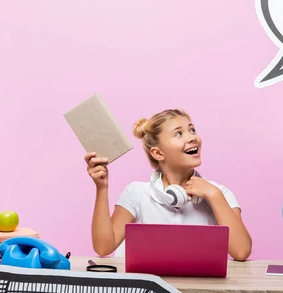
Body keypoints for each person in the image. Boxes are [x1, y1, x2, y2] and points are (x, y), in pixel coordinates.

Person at [85, 108, 252, 261]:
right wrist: (102, 188)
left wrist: (215, 196)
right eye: (178, 134)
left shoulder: (219, 193)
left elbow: (241, 251)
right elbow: (104, 247)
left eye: (192, 130)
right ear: (158, 153)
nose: (192, 137)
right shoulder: (137, 193)